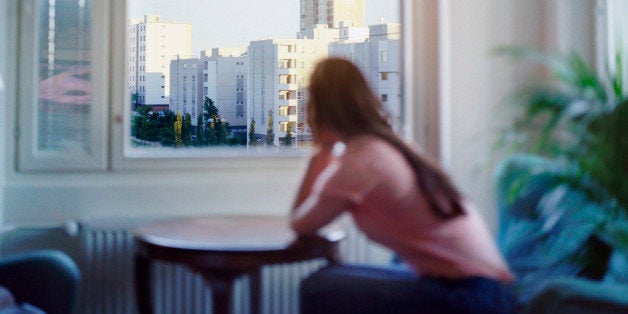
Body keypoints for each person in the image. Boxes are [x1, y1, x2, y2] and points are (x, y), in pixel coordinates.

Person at [290, 57, 515, 314]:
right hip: (491, 290)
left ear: (319, 110)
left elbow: (300, 225)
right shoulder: (392, 145)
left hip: (470, 296)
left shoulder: (359, 162)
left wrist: (320, 153)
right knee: (337, 277)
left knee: (318, 287)